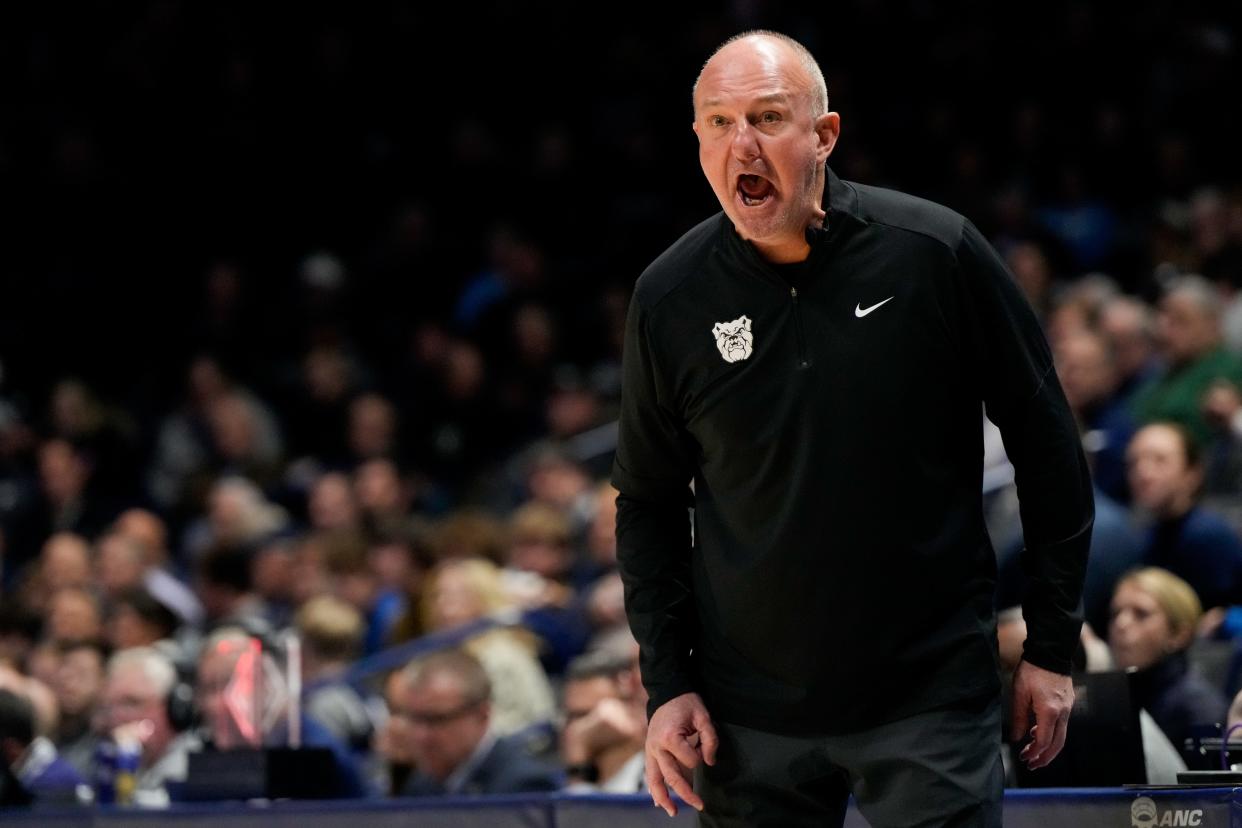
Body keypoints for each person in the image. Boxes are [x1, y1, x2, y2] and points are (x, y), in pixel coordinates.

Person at [612, 29, 1094, 827]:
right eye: (720, 123)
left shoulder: (934, 252)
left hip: (929, 698)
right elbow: (648, 503)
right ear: (697, 140)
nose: (743, 144)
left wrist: (1050, 645)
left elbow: (1048, 449)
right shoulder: (669, 298)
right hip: (747, 720)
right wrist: (668, 684)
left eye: (767, 117)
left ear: (825, 134)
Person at [387, 648, 562, 796]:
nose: (421, 735)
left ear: (482, 715)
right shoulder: (420, 785)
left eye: (437, 720)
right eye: (415, 719)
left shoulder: (522, 785)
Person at [1108, 567, 1228, 751]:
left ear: (1178, 634)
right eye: (1115, 613)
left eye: (1141, 614)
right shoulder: (1116, 697)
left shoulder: (1199, 711)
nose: (1121, 624)